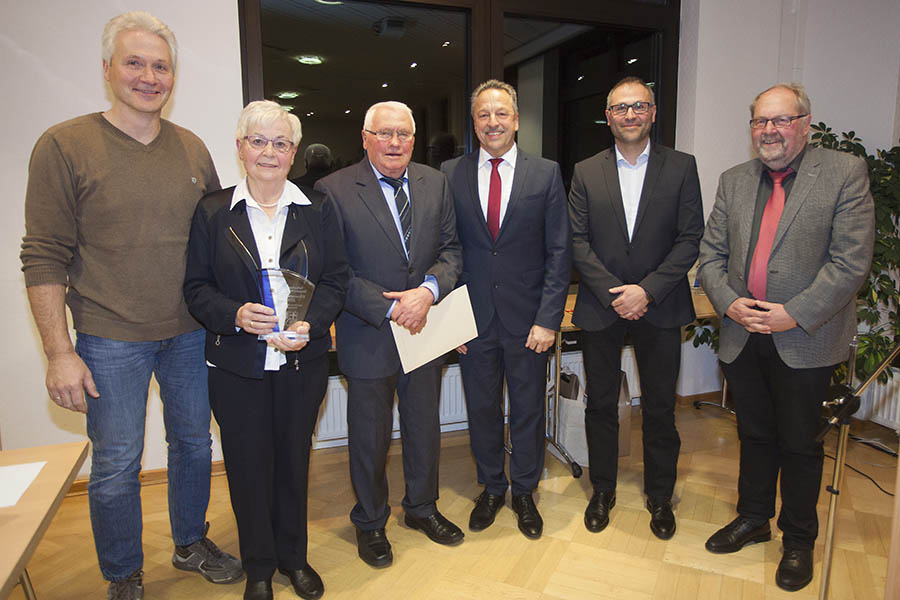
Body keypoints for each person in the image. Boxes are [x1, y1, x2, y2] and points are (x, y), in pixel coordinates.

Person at [19, 11, 242, 600]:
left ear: (173, 76)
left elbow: (216, 241)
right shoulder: (64, 145)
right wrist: (59, 352)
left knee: (194, 444)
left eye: (161, 66)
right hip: (107, 337)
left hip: (190, 334)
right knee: (117, 463)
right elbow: (41, 255)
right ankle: (123, 574)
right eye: (134, 62)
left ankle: (190, 543)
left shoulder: (191, 148)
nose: (149, 76)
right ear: (107, 70)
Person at [697, 83, 874, 591]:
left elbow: (850, 262)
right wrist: (730, 302)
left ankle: (798, 540)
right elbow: (710, 256)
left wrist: (791, 314)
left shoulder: (843, 173)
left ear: (805, 123)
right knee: (753, 432)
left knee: (799, 443)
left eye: (781, 120)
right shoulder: (734, 180)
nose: (769, 131)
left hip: (804, 338)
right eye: (760, 122)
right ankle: (753, 518)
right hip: (741, 331)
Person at [184, 100, 347, 600]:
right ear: (240, 148)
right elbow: (196, 288)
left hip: (302, 362)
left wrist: (312, 323)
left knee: (294, 463)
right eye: (259, 141)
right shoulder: (214, 211)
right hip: (237, 367)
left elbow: (337, 282)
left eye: (281, 143)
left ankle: (292, 560)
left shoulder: (318, 209)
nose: (269, 152)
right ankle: (258, 567)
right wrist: (234, 315)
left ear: (294, 152)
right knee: (247, 466)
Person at [314, 101, 463, 568]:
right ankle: (371, 522)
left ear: (414, 140)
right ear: (364, 138)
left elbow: (452, 251)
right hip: (369, 331)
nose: (394, 142)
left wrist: (428, 291)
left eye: (403, 134)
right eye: (384, 134)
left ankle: (422, 508)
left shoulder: (434, 182)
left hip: (426, 326)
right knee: (369, 437)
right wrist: (393, 306)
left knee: (424, 427)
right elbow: (333, 270)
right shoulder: (333, 190)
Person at [568, 76, 703, 540]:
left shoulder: (682, 167)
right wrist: (616, 292)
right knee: (601, 404)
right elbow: (577, 242)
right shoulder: (586, 171)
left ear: (652, 112)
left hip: (660, 305)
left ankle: (660, 496)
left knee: (662, 407)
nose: (629, 115)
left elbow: (690, 239)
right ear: (607, 116)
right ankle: (602, 489)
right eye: (620, 107)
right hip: (601, 308)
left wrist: (646, 290)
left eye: (638, 106)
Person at [441, 80, 571, 539]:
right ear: (474, 123)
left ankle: (524, 493)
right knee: (480, 407)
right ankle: (493, 487)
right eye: (483, 115)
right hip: (472, 321)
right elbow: (446, 249)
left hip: (528, 321)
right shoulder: (450, 173)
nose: (492, 122)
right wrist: (448, 321)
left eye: (501, 114)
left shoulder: (546, 173)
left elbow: (559, 251)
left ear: (516, 119)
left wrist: (548, 319)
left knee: (527, 410)